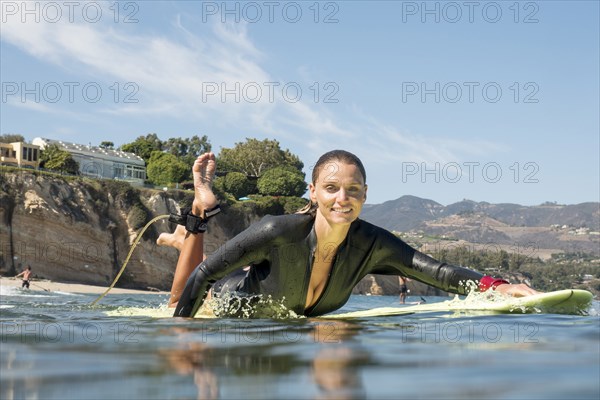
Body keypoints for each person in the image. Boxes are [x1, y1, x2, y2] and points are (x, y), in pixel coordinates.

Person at [160, 151, 539, 318]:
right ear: (313, 191)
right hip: (229, 297)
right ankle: (199, 212)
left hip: (288, 316)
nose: (343, 199)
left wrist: (500, 286)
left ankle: (183, 238)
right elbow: (204, 274)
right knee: (177, 299)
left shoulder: (373, 244)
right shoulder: (278, 230)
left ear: (365, 195)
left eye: (353, 190)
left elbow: (439, 272)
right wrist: (184, 341)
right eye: (331, 188)